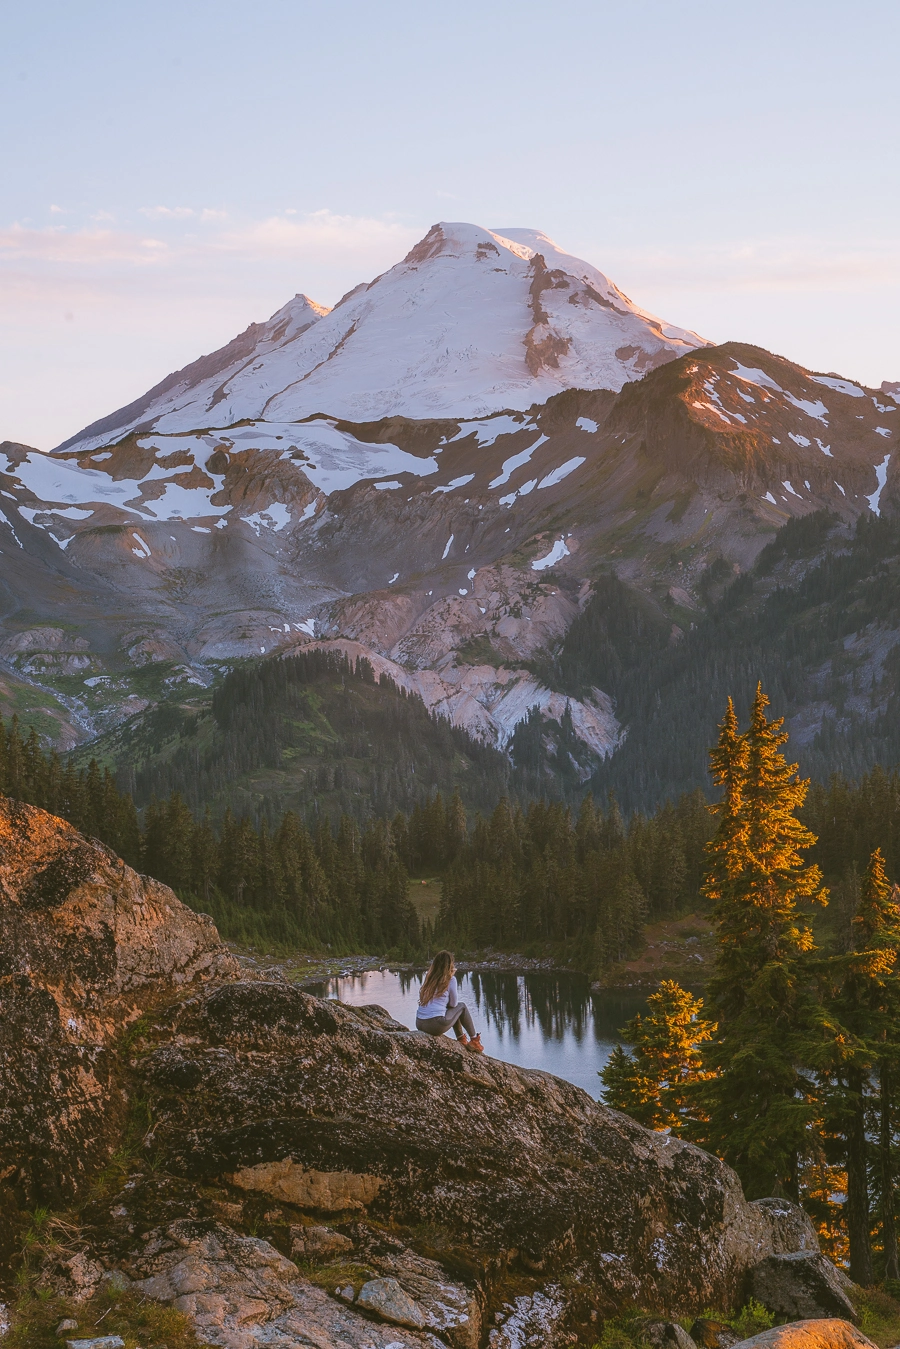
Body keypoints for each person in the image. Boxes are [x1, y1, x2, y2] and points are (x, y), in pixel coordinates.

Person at [415, 950, 484, 1053]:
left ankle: (461, 1039)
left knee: (452, 1009)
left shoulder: (429, 977)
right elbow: (454, 1004)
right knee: (462, 1006)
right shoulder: (451, 980)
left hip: (419, 1023)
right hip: (434, 1025)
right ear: (450, 965)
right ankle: (474, 1040)